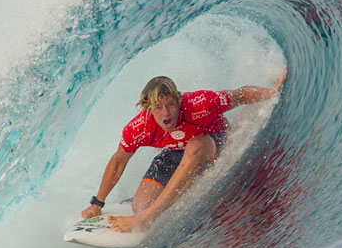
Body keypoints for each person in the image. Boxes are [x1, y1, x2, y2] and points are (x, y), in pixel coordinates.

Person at [81, 69, 287, 233]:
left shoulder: (201, 104)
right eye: (158, 107)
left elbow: (240, 95)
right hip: (174, 153)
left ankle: (148, 217)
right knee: (140, 205)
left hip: (212, 142)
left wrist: (271, 92)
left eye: (171, 104)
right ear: (147, 108)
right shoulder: (138, 129)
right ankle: (148, 209)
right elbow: (119, 160)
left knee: (194, 146)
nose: (166, 112)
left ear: (178, 100)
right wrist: (97, 203)